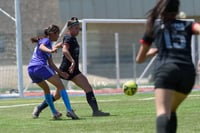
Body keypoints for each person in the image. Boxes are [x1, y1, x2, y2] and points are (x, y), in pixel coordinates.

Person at [136, 0, 200, 132]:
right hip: (187, 72)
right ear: (177, 11)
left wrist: (151, 52)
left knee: (163, 112)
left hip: (166, 70)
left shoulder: (154, 27)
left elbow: (139, 59)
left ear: (160, 10)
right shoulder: (188, 25)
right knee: (171, 109)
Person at [32, 17, 110, 118]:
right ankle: (39, 108)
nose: (78, 30)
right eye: (76, 28)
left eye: (79, 28)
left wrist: (56, 46)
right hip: (65, 71)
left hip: (75, 71)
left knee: (88, 88)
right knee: (57, 96)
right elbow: (65, 50)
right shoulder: (68, 37)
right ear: (70, 28)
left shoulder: (70, 38)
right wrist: (72, 61)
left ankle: (96, 111)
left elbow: (64, 44)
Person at [28, 24, 79, 120]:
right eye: (57, 34)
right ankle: (69, 110)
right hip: (40, 67)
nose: (59, 36)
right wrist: (50, 50)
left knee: (46, 90)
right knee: (61, 86)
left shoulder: (47, 43)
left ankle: (54, 112)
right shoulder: (46, 41)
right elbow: (41, 47)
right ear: (52, 34)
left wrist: (60, 73)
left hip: (31, 70)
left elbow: (51, 64)